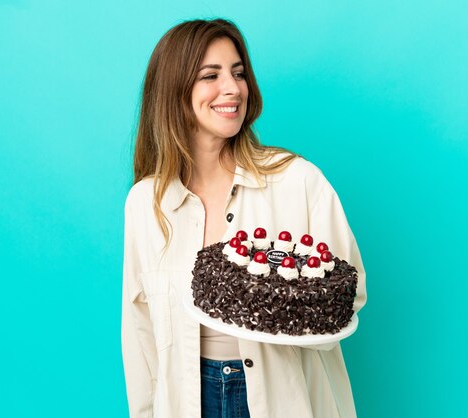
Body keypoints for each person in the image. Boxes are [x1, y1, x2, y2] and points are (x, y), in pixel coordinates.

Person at [122, 18, 367, 418]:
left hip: (283, 400)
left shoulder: (297, 180)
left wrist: (285, 313)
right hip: (189, 399)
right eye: (210, 75)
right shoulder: (145, 204)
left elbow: (348, 296)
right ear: (173, 92)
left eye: (238, 73)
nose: (232, 88)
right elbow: (140, 334)